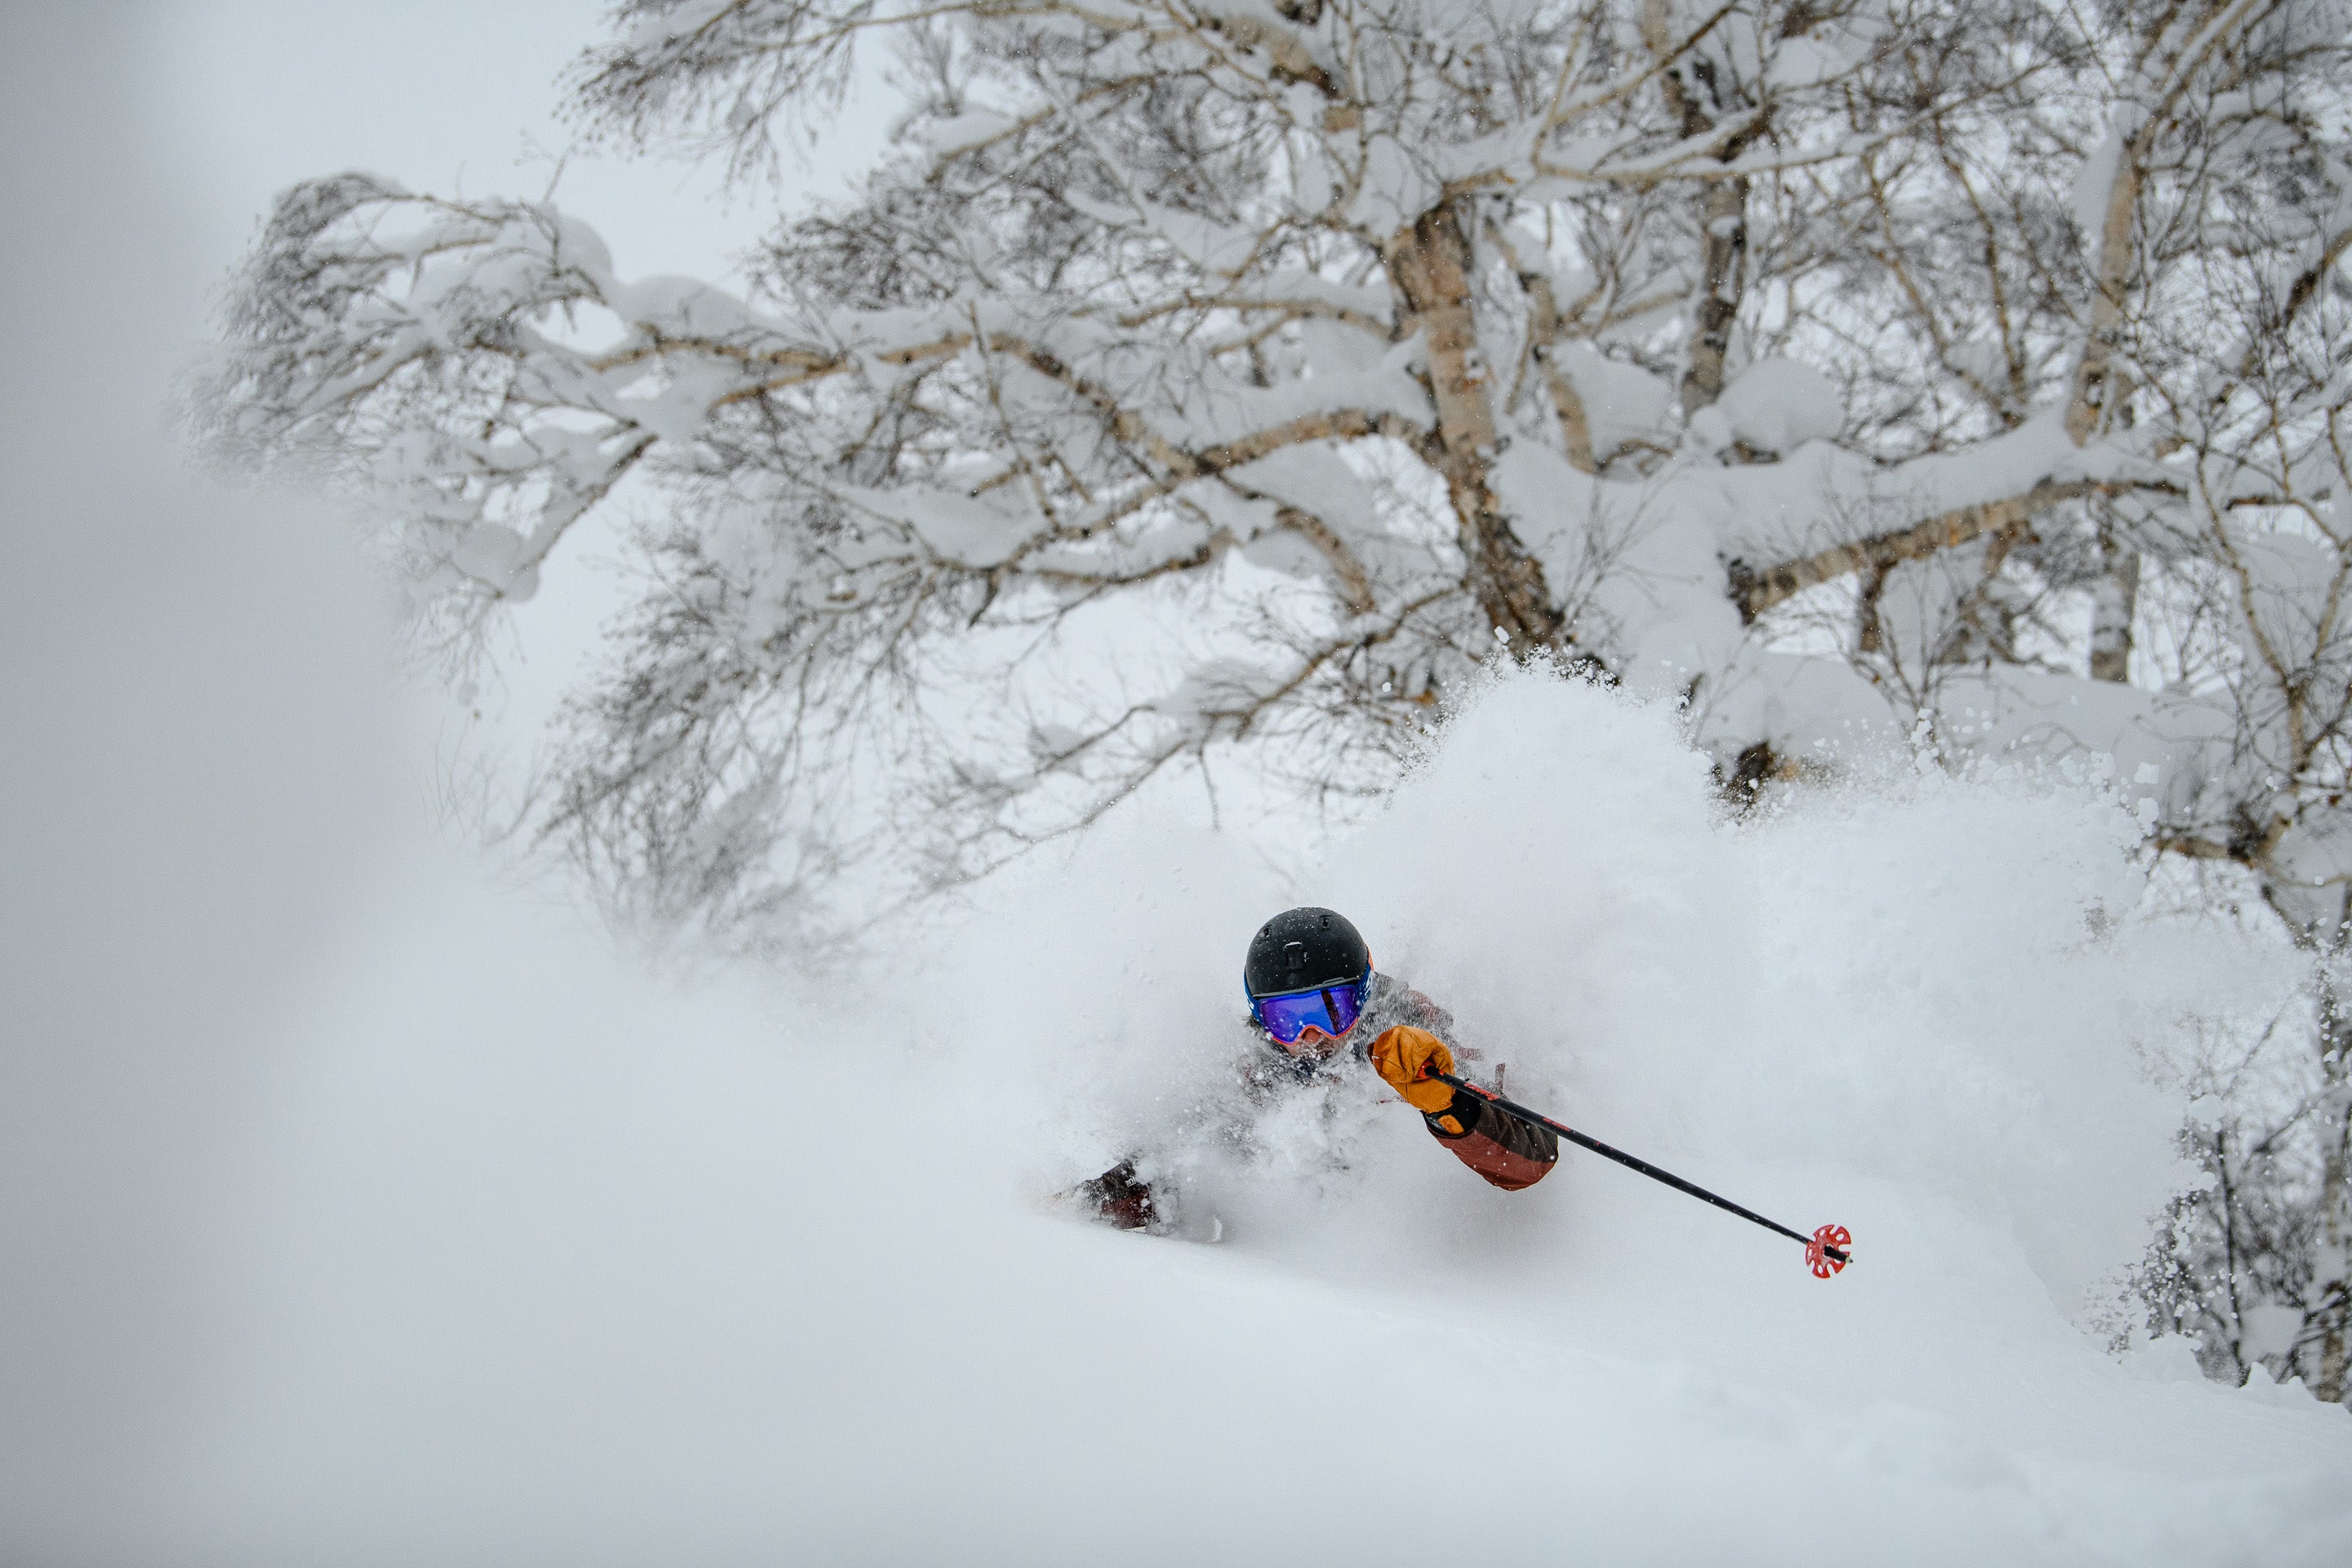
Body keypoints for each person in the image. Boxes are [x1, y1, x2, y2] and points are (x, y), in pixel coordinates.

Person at [1076, 906, 1557, 1232]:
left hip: (1418, 1249)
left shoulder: (1411, 1028)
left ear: (1364, 992)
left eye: (1330, 1010)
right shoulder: (1254, 1066)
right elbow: (1176, 1162)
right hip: (1303, 1263)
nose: (1310, 1036)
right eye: (1286, 1018)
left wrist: (1447, 1103)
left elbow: (1533, 1158)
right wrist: (1077, 1212)